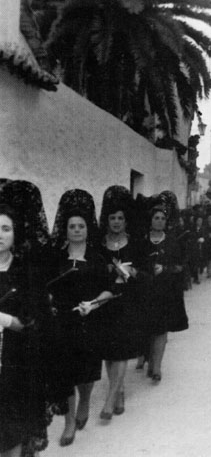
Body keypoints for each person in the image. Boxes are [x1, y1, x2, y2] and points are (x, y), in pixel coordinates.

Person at [48, 193, 112, 446]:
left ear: (88, 229)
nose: (76, 230)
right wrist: (50, 302)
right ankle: (69, 421)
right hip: (64, 322)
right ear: (65, 230)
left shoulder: (97, 258)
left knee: (86, 373)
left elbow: (108, 291)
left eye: (81, 226)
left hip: (90, 323)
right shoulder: (56, 258)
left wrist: (93, 304)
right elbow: (46, 288)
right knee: (67, 375)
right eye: (72, 226)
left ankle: (85, 401)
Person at [0, 203, 51, 457]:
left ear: (15, 234)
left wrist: (7, 320)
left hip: (15, 366)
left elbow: (34, 321)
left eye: (5, 229)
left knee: (12, 433)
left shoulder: (26, 273)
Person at [98, 186, 150, 420]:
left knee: (121, 351)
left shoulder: (136, 244)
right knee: (110, 352)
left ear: (126, 220)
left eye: (120, 218)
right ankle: (118, 390)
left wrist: (133, 271)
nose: (116, 222)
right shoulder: (98, 246)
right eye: (112, 218)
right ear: (106, 220)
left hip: (129, 303)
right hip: (106, 303)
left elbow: (148, 275)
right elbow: (94, 274)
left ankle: (110, 400)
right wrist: (108, 270)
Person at [140, 206, 188, 382]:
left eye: (162, 218)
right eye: (156, 218)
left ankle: (157, 367)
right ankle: (149, 359)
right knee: (148, 330)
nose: (159, 221)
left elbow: (181, 266)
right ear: (150, 220)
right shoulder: (143, 242)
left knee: (161, 330)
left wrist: (165, 269)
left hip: (166, 292)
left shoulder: (172, 242)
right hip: (145, 292)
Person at [188, 214, 206, 284]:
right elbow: (191, 237)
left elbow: (205, 236)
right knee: (195, 263)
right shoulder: (192, 228)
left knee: (200, 264)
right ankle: (196, 277)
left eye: (201, 220)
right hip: (194, 249)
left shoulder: (203, 228)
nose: (200, 222)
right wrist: (197, 240)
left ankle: (198, 276)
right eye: (198, 220)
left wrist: (203, 239)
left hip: (202, 248)